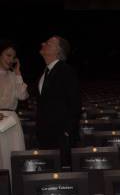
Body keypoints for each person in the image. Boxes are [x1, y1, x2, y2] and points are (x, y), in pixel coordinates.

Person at [36, 36, 81, 154]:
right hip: (45, 135)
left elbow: (75, 104)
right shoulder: (45, 71)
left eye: (48, 43)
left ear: (58, 51)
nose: (43, 43)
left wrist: (66, 132)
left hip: (60, 138)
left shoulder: (66, 71)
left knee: (60, 170)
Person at [0, 40, 29, 177]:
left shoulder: (13, 76)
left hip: (11, 122)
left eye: (13, 57)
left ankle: (13, 193)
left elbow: (22, 96)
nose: (11, 60)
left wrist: (18, 73)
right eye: (8, 55)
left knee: (12, 158)